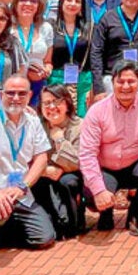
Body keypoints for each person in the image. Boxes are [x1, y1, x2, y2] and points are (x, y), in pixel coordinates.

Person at [78, 61, 138, 235]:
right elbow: (87, 154)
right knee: (91, 193)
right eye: (120, 82)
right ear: (112, 82)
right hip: (106, 168)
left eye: (131, 81)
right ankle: (106, 213)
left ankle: (136, 215)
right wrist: (98, 191)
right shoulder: (97, 111)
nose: (125, 86)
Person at [0, 75, 54, 255]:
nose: (16, 98)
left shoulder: (33, 122)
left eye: (22, 94)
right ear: (1, 95)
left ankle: (0, 234)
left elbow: (41, 158)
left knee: (44, 238)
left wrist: (23, 186)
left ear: (30, 96)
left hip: (21, 193)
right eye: (11, 93)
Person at [31, 83, 84, 240]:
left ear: (67, 103)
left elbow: (77, 161)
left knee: (67, 182)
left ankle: (72, 223)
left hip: (71, 174)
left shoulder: (80, 125)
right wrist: (45, 170)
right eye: (46, 103)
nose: (52, 107)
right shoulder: (37, 126)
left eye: (57, 101)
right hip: (44, 173)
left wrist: (60, 139)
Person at [49, 0, 94, 116]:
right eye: (69, 0)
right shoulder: (50, 26)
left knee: (82, 118)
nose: (73, 4)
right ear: (62, 2)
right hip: (56, 80)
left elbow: (94, 57)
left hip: (83, 81)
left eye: (77, 1)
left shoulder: (89, 28)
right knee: (58, 116)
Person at [9, 0, 54, 104]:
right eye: (23, 0)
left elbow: (48, 62)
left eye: (33, 1)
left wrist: (46, 71)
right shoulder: (7, 27)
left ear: (39, 6)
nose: (28, 4)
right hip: (12, 86)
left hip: (38, 86)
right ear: (16, 2)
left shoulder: (46, 28)